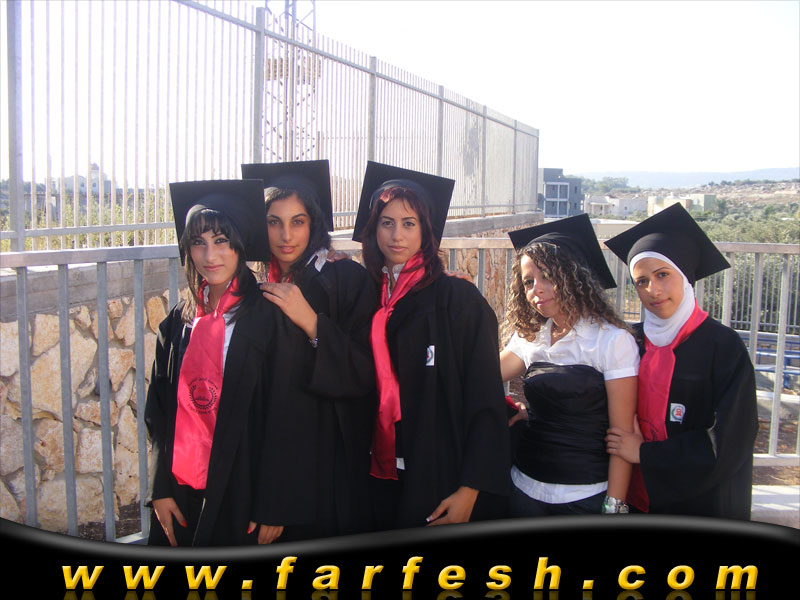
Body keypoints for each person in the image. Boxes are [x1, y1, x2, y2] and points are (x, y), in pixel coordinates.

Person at [145, 179, 308, 546]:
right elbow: (158, 411)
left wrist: (274, 503)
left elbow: (287, 417)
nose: (210, 256)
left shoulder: (270, 318)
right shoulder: (178, 323)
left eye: (221, 241)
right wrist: (160, 487)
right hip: (181, 489)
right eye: (198, 243)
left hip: (245, 490)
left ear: (240, 244)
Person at [352, 160, 510, 530]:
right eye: (387, 223)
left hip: (439, 474)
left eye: (409, 223)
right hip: (375, 473)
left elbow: (485, 400)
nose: (397, 235)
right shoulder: (365, 296)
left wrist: (470, 488)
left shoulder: (458, 300)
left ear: (426, 230)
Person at [242, 160, 377, 539]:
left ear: (314, 223)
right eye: (273, 222)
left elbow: (363, 372)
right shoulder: (254, 287)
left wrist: (313, 324)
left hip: (324, 465)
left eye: (298, 222)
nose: (286, 235)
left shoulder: (345, 279)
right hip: (264, 456)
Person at [604, 203, 758, 519]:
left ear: (686, 276)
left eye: (663, 275)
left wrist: (645, 454)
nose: (653, 290)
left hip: (701, 505)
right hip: (635, 499)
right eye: (641, 281)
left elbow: (728, 441)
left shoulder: (723, 347)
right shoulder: (629, 340)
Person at [498, 214, 639, 516]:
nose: (536, 289)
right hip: (524, 487)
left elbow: (621, 436)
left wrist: (613, 507)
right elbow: (482, 376)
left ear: (574, 277)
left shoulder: (612, 341)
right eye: (528, 281)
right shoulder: (531, 337)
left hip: (584, 496)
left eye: (548, 276)